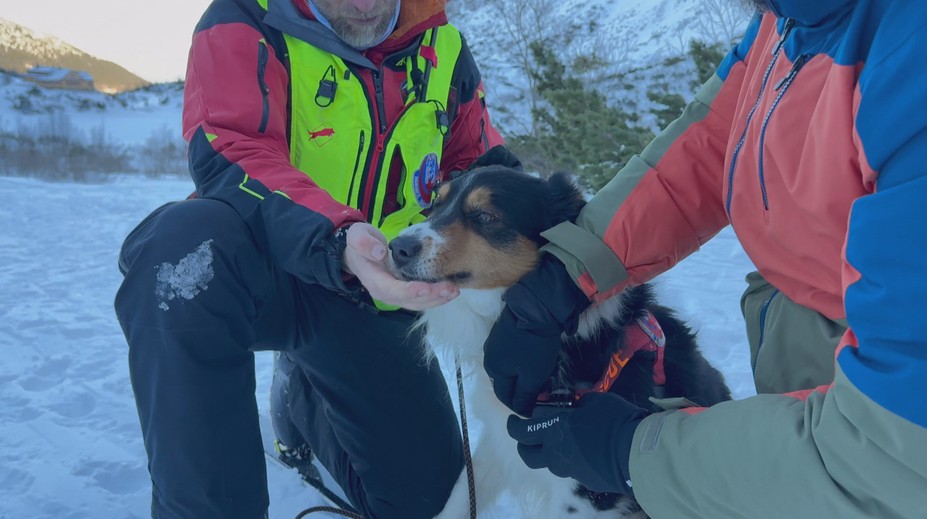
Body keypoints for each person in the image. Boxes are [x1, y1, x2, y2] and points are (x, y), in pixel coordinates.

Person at [484, 0, 927, 517]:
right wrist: (563, 279)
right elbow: (711, 144)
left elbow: (888, 458)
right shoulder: (789, 18)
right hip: (812, 394)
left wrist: (632, 451)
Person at [114, 0, 503, 517]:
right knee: (181, 252)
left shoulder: (443, 47)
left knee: (430, 505)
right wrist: (338, 239)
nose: (367, 4)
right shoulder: (244, 19)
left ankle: (302, 398)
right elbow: (231, 143)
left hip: (375, 290)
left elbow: (476, 163)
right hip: (264, 268)